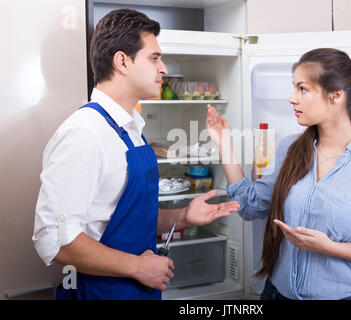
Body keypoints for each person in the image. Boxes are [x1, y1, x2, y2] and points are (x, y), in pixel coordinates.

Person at [32, 8, 239, 300]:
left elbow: (121, 216)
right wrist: (137, 267)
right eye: (154, 57)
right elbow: (53, 240)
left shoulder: (129, 127)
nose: (163, 68)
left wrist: (182, 215)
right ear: (122, 62)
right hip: (100, 294)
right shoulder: (86, 134)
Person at [206, 48, 351, 300]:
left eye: (302, 89)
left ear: (336, 96)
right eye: (294, 88)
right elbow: (249, 206)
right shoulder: (290, 149)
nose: (292, 98)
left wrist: (330, 248)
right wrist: (224, 143)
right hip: (276, 294)